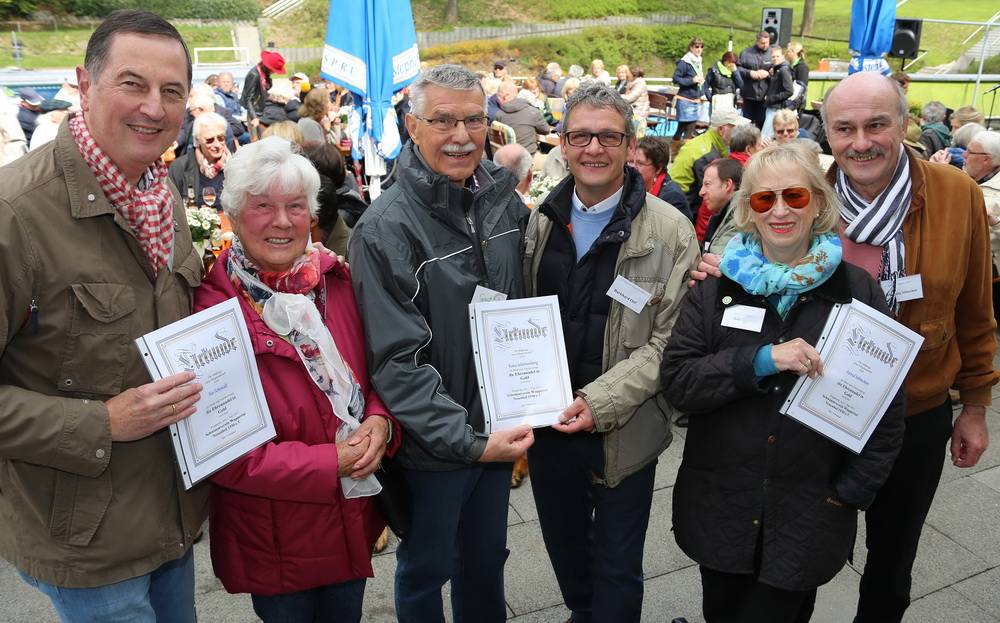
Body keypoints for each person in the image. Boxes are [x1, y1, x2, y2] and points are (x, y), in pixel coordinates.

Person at [691, 71, 998, 623]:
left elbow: (977, 313)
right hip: (806, 421)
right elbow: (754, 252)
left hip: (916, 410)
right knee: (797, 556)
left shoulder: (957, 196)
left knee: (890, 566)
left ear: (903, 126)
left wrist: (974, 406)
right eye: (845, 128)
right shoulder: (806, 193)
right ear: (827, 134)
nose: (861, 142)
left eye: (877, 125)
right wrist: (720, 275)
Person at [0, 11, 208, 621]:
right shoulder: (16, 214)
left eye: (172, 91)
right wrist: (100, 423)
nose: (153, 106)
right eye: (132, 83)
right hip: (86, 544)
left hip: (170, 518)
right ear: (84, 87)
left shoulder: (159, 191)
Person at [662, 142, 905, 623]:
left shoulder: (856, 289)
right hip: (722, 503)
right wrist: (760, 360)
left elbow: (887, 406)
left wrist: (850, 492)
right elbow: (679, 382)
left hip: (809, 508)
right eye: (763, 199)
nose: (779, 210)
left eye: (794, 196)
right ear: (747, 210)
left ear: (817, 202)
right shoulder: (717, 287)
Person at [348, 64, 535, 623]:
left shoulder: (505, 201)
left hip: (498, 427)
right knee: (427, 569)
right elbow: (395, 361)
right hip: (437, 443)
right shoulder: (385, 228)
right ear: (412, 126)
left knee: (486, 561)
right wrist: (469, 440)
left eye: (474, 120)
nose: (460, 135)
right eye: (443, 120)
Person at [193, 137, 397, 622]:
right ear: (234, 216)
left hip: (351, 518)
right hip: (276, 537)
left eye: (295, 207)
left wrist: (381, 421)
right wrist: (332, 462)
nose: (282, 222)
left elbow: (378, 375)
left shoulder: (340, 282)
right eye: (262, 206)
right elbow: (226, 452)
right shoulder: (210, 315)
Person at [525, 81, 699, 623]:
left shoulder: (671, 231)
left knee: (618, 565)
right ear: (562, 142)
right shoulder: (539, 220)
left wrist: (598, 401)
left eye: (608, 136)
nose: (593, 148)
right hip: (549, 423)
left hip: (624, 429)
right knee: (567, 548)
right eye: (580, 135)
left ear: (630, 145)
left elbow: (670, 340)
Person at [669, 106, 749, 210]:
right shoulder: (708, 154)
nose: (738, 132)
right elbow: (710, 194)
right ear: (721, 130)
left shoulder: (706, 142)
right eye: (735, 128)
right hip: (684, 207)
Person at [966, 130, 1000, 326]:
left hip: (991, 276)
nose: (963, 155)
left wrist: (994, 221)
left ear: (986, 160)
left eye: (969, 152)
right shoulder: (966, 177)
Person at [169, 111, 230, 210]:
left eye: (221, 138)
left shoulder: (235, 165)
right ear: (197, 141)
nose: (217, 145)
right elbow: (173, 207)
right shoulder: (180, 167)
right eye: (210, 140)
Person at [630, 136, 692, 220]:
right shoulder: (633, 185)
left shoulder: (673, 198)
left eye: (640, 163)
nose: (633, 167)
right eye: (631, 162)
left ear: (658, 168)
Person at [495, 80, 552, 157]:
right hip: (528, 158)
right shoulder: (533, 111)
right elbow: (546, 130)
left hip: (505, 158)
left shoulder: (499, 114)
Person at [699, 156, 743, 253]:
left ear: (727, 185)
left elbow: (718, 260)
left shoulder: (740, 219)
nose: (701, 192)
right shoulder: (721, 214)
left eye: (707, 184)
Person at [673, 37, 706, 148]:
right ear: (691, 47)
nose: (699, 49)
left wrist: (703, 93)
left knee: (689, 127)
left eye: (701, 46)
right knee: (683, 127)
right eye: (696, 46)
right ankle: (677, 153)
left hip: (695, 99)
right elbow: (675, 79)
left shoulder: (698, 62)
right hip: (685, 99)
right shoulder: (685, 62)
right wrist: (691, 80)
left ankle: (679, 154)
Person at [738, 31, 773, 129]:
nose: (765, 45)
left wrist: (767, 74)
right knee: (746, 122)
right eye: (762, 43)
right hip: (749, 95)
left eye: (767, 42)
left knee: (762, 122)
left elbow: (779, 72)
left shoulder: (773, 54)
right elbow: (737, 69)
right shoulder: (746, 53)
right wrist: (749, 73)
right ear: (757, 41)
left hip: (765, 97)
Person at [242, 49, 286, 123]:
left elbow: (266, 89)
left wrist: (275, 98)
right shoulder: (254, 75)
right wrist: (254, 117)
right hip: (254, 111)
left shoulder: (263, 74)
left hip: (261, 106)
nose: (274, 72)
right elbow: (248, 99)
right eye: (273, 70)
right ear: (267, 67)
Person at [762, 45, 793, 139]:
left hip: (776, 108)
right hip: (772, 106)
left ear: (783, 57)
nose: (775, 58)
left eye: (777, 56)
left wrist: (771, 98)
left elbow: (789, 91)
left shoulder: (783, 70)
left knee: (765, 136)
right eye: (773, 57)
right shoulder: (777, 69)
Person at [785, 42, 809, 111]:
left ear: (793, 52)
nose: (787, 54)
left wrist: (790, 106)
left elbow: (801, 89)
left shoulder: (802, 67)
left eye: (788, 51)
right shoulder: (790, 66)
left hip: (795, 106)